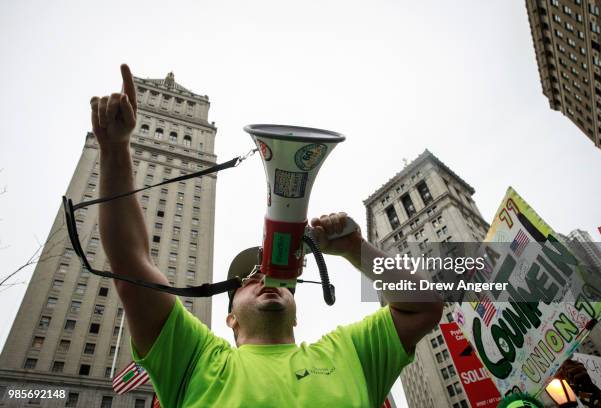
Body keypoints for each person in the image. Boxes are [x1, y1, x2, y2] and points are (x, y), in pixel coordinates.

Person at [90, 64, 443, 407]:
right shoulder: (196, 359)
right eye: (247, 279)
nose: (262, 275)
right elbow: (130, 264)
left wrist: (356, 250)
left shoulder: (348, 351)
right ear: (231, 319)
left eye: (276, 278)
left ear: (296, 313)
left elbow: (426, 306)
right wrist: (116, 149)